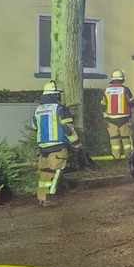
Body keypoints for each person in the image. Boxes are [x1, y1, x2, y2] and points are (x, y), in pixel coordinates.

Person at [33, 80, 81, 208]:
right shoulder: (60, 109)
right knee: (57, 172)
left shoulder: (38, 110)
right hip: (58, 146)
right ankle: (50, 198)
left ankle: (41, 197)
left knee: (45, 173)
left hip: (43, 147)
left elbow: (35, 127)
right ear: (55, 95)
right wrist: (76, 142)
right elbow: (67, 128)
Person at [101, 69, 134, 160]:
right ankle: (128, 156)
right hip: (124, 119)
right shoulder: (126, 90)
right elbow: (131, 103)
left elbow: (103, 106)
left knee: (114, 138)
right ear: (122, 80)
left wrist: (105, 116)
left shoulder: (106, 90)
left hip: (111, 119)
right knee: (126, 138)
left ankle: (116, 157)